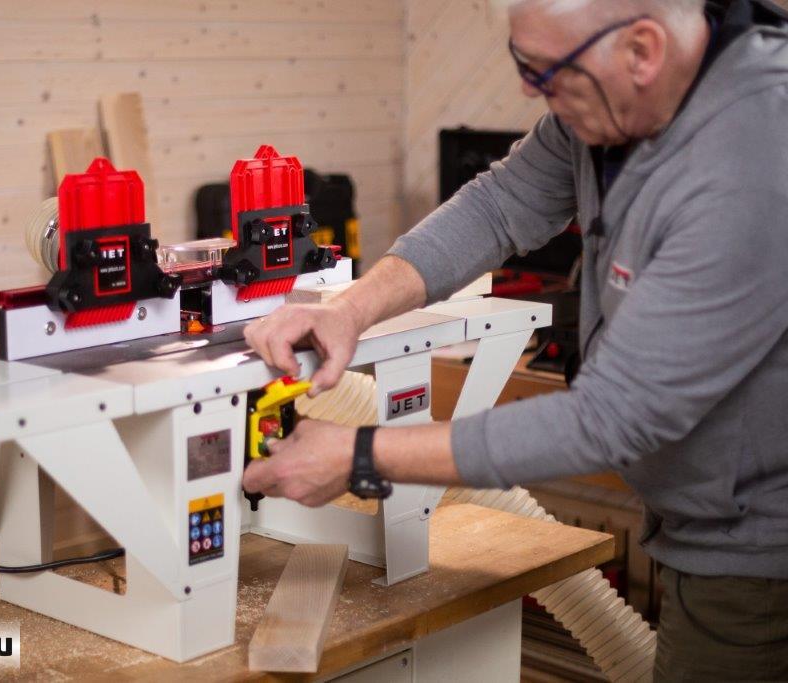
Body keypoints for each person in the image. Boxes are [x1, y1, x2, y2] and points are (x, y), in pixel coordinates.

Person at [241, 0, 788, 679]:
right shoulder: (615, 101)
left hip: (761, 553)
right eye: (522, 64)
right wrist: (351, 309)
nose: (533, 93)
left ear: (642, 50)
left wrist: (357, 455)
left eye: (546, 72)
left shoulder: (752, 158)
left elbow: (610, 420)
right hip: (703, 519)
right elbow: (499, 205)